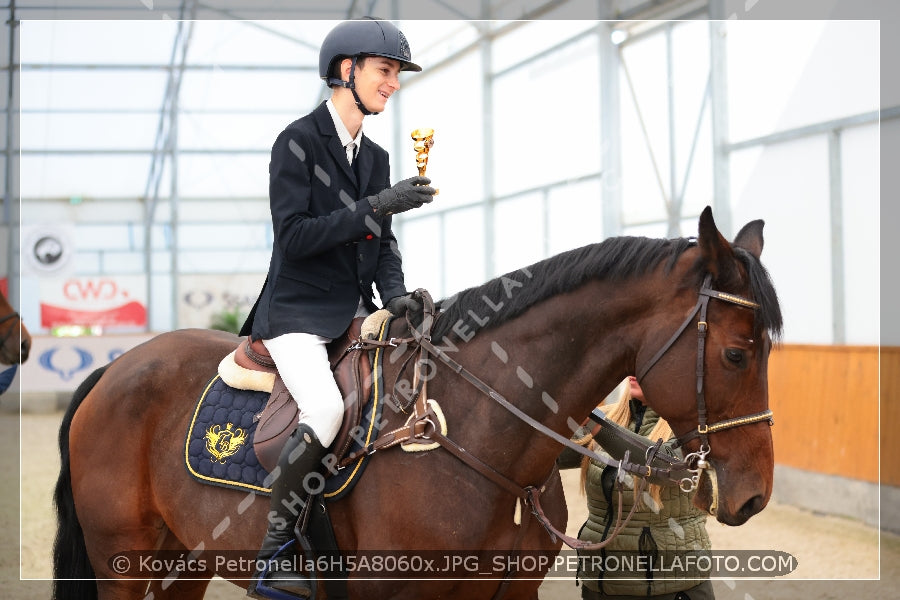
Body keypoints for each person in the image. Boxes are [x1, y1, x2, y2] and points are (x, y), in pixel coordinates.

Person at [239, 17, 436, 599]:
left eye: (397, 72)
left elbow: (383, 243)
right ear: (346, 70)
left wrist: (395, 293)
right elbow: (295, 237)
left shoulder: (373, 156)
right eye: (385, 70)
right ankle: (275, 553)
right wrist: (377, 204)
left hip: (356, 311)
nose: (393, 82)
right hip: (296, 313)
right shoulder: (296, 141)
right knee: (325, 410)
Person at [558, 376, 714, 600]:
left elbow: (663, 466)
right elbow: (545, 455)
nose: (634, 372)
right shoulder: (606, 418)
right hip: (599, 585)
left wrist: (593, 423)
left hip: (671, 588)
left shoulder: (693, 427)